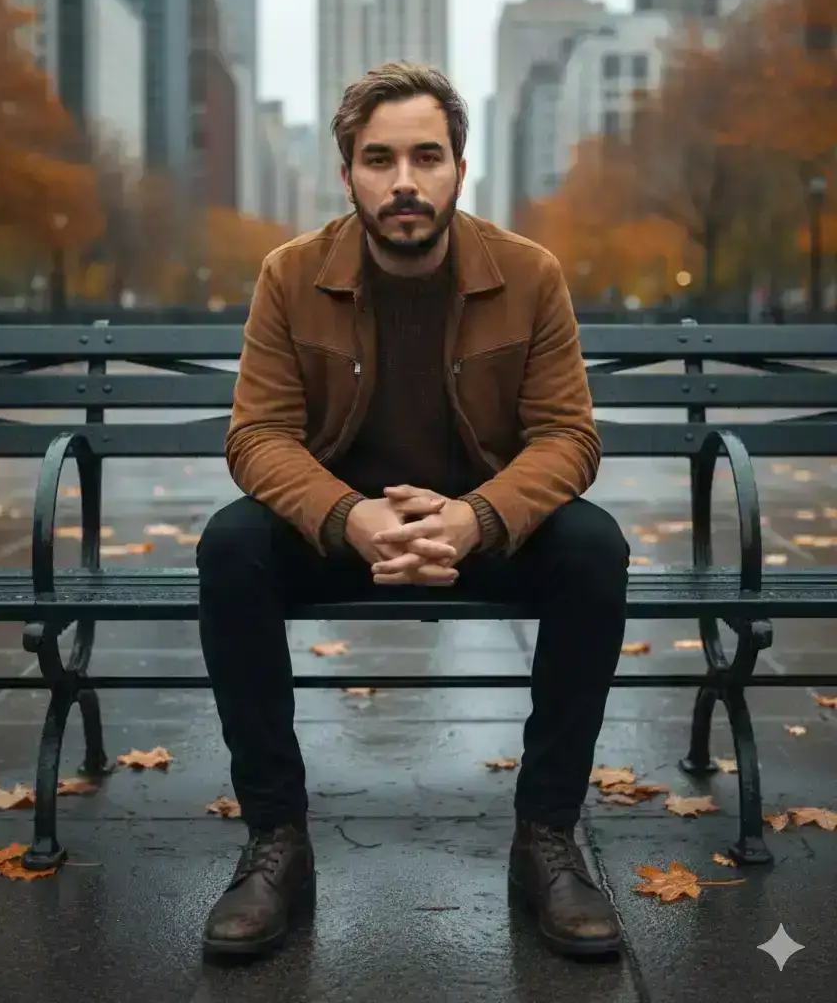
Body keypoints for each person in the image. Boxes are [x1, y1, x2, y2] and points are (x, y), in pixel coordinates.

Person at [196, 61, 630, 962]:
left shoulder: (528, 273)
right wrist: (351, 517)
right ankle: (277, 839)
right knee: (231, 545)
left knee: (594, 548)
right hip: (338, 531)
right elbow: (258, 437)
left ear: (460, 167)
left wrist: (475, 518)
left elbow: (567, 438)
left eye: (426, 157)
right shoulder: (291, 274)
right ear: (347, 171)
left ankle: (545, 838)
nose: (403, 182)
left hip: (485, 529)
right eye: (379, 159)